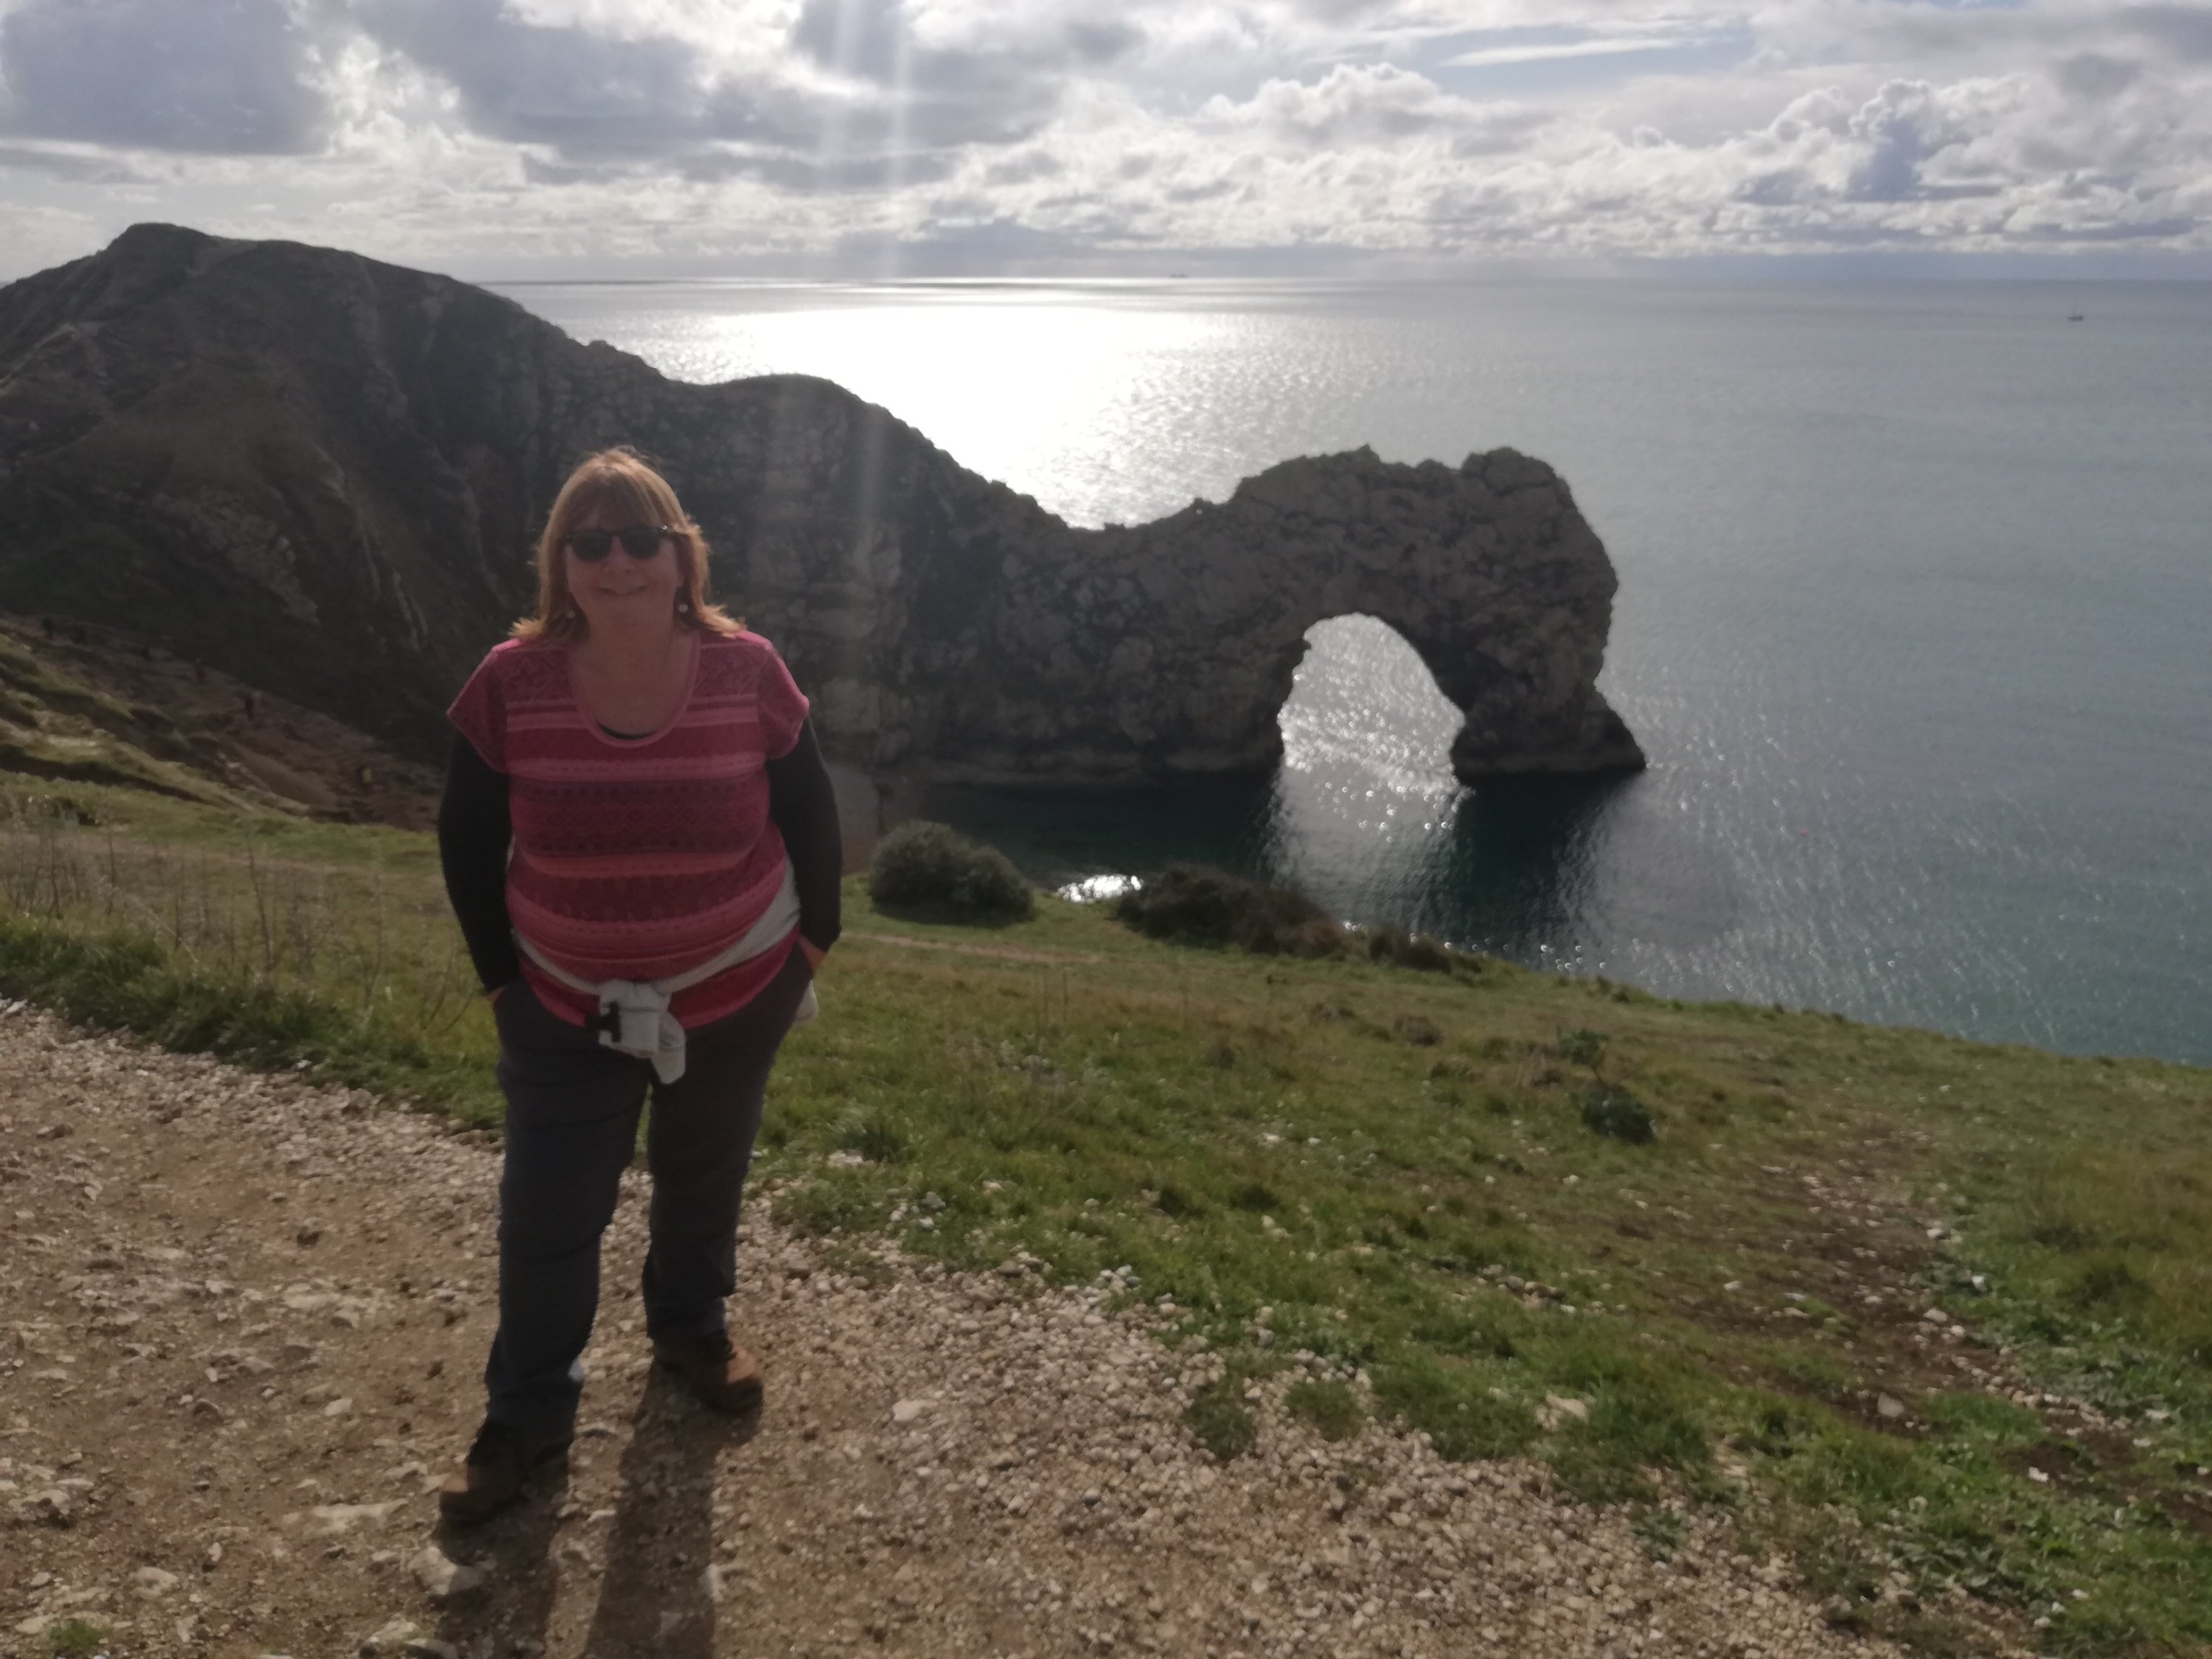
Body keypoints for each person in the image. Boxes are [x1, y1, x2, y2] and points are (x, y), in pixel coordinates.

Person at [434, 448, 841, 1525]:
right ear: (562, 566)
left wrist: (811, 949)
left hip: (736, 988)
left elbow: (809, 808)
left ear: (681, 559)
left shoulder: (748, 669)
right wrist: (502, 986)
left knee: (705, 1175)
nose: (618, 561)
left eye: (640, 538)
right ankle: (526, 1414)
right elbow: (465, 836)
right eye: (592, 542)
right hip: (562, 1002)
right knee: (548, 1214)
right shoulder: (509, 682)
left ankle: (692, 1330)